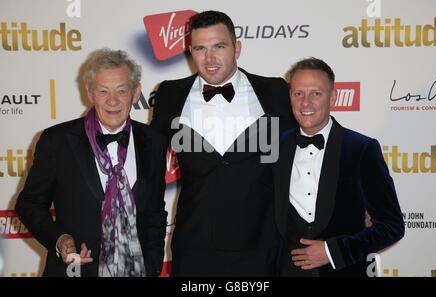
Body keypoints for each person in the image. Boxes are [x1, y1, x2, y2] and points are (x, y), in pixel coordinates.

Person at [151, 10, 295, 276]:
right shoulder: (171, 95)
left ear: (237, 48)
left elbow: (305, 155)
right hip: (195, 249)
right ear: (190, 51)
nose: (209, 58)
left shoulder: (273, 91)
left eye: (219, 46)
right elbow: (148, 168)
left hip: (261, 249)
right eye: (200, 48)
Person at [15, 48, 167, 277]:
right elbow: (29, 204)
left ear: (136, 93)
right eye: (103, 91)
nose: (112, 100)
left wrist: (153, 265)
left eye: (122, 90)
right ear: (89, 93)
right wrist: (60, 239)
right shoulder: (58, 141)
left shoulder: (154, 141)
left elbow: (155, 212)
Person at [275, 57, 405, 276]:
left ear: (333, 97)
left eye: (316, 93)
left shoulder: (361, 149)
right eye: (298, 93)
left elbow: (392, 226)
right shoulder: (275, 148)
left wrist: (333, 251)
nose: (306, 103)